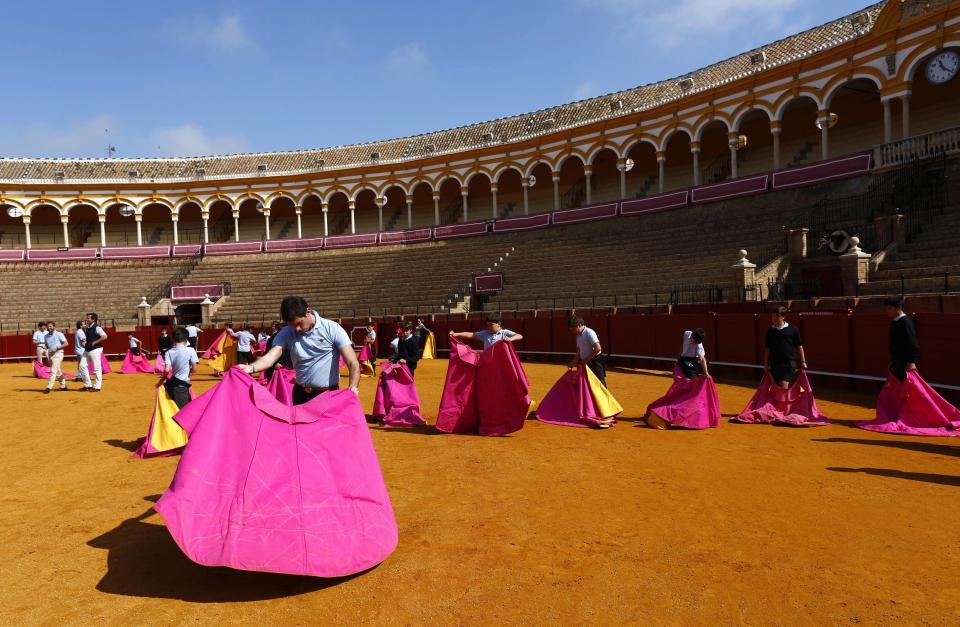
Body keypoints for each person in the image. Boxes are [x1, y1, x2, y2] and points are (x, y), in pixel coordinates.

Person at [239, 295, 360, 405]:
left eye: (299, 323)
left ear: (307, 312)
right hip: (300, 395)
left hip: (327, 395)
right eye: (292, 325)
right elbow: (270, 358)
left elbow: (352, 363)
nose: (296, 329)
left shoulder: (332, 328)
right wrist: (250, 368)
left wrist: (352, 387)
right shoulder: (287, 332)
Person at [766, 307, 806, 388]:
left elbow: (799, 346)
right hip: (775, 364)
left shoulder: (793, 329)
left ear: (783, 317)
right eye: (773, 316)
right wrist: (765, 363)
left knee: (783, 385)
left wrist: (803, 361)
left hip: (788, 363)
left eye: (777, 316)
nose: (774, 319)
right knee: (776, 388)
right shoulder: (770, 331)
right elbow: (767, 348)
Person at [163, 327, 199, 410]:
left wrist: (161, 381)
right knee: (183, 412)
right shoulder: (191, 350)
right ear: (186, 338)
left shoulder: (169, 352)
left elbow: (167, 370)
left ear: (173, 339)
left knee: (172, 409)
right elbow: (195, 369)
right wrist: (189, 371)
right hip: (182, 386)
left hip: (171, 385)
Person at [885, 296, 918, 382]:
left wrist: (911, 361)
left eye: (890, 308)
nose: (887, 311)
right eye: (887, 308)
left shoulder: (905, 322)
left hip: (905, 363)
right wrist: (893, 361)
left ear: (899, 308)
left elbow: (912, 342)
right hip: (898, 361)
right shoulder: (895, 321)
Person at [567, 316, 605, 387]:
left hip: (595, 361)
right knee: (587, 383)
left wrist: (584, 361)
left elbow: (598, 348)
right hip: (586, 362)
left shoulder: (589, 332)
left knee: (599, 383)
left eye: (573, 329)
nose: (572, 331)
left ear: (579, 325)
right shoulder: (578, 335)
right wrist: (573, 363)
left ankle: (605, 398)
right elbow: (579, 351)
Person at [450, 313, 523, 348]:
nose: (489, 327)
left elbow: (520, 336)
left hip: (502, 361)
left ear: (499, 324)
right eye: (487, 325)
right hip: (489, 362)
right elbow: (471, 334)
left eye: (491, 325)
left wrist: (510, 339)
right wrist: (456, 334)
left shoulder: (504, 332)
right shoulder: (485, 333)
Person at [81, 312, 108, 392]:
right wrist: (85, 341)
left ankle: (97, 387)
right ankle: (88, 385)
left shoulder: (97, 328)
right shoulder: (87, 328)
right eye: (87, 318)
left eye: (88, 318)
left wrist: (94, 342)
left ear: (93, 320)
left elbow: (105, 336)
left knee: (97, 368)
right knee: (82, 366)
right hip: (87, 349)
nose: (86, 319)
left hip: (95, 349)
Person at [42, 321, 68, 393]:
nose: (49, 328)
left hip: (58, 353)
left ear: (54, 327)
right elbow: (47, 345)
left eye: (50, 326)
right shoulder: (46, 336)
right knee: (57, 371)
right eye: (48, 326)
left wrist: (57, 347)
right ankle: (63, 386)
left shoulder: (59, 334)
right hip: (50, 354)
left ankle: (49, 387)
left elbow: (66, 343)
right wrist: (44, 349)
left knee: (53, 370)